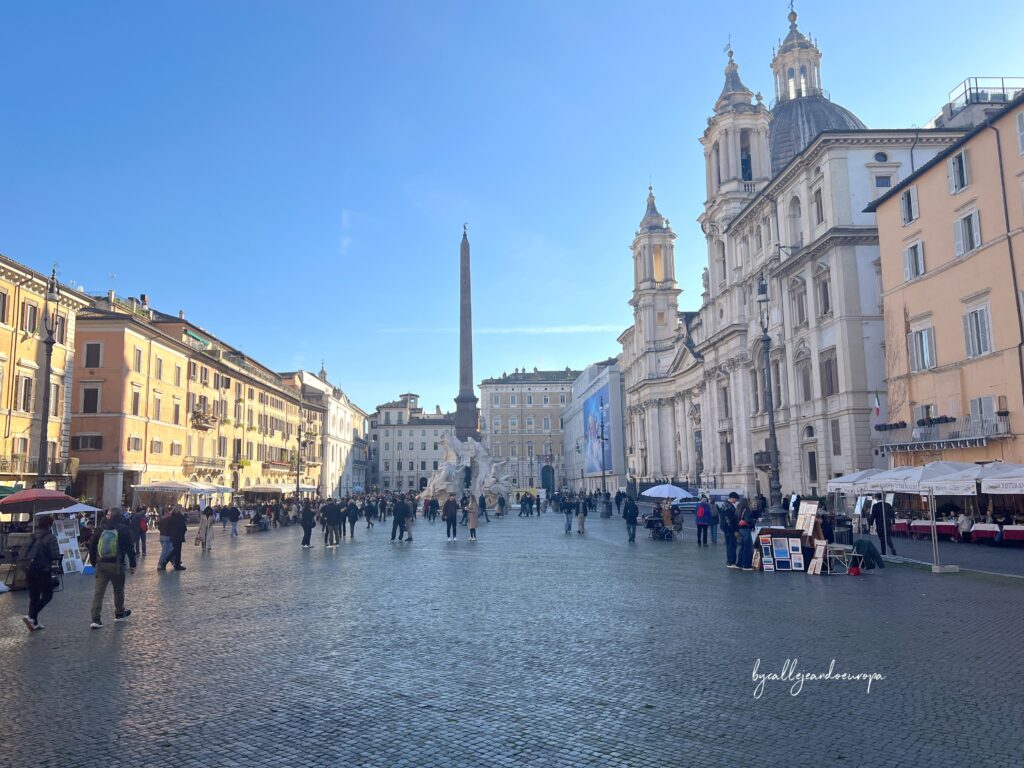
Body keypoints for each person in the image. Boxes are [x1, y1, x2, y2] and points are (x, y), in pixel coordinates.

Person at [88, 508, 137, 629]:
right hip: (117, 564)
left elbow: (92, 545)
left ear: (109, 516)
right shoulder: (124, 529)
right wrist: (133, 564)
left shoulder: (100, 529)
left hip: (101, 564)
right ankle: (119, 613)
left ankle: (96, 619)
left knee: (98, 593)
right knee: (118, 590)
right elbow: (130, 548)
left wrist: (94, 562)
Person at [20, 515, 61, 632]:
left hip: (29, 570)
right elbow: (55, 555)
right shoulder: (50, 537)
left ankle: (34, 622)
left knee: (34, 596)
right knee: (47, 596)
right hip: (43, 570)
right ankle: (31, 616)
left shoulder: (31, 536)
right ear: (49, 525)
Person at [733, 492, 755, 570]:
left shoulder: (738, 509)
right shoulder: (746, 510)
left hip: (740, 529)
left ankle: (739, 563)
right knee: (747, 547)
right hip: (746, 529)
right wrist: (754, 521)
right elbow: (748, 520)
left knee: (742, 547)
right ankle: (746, 565)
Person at [720, 497, 739, 568]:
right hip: (730, 529)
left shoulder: (724, 505)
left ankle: (729, 561)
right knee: (732, 545)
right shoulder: (729, 507)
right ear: (732, 498)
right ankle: (731, 562)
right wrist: (735, 530)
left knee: (729, 545)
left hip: (725, 528)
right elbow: (730, 520)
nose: (736, 501)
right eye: (736, 499)